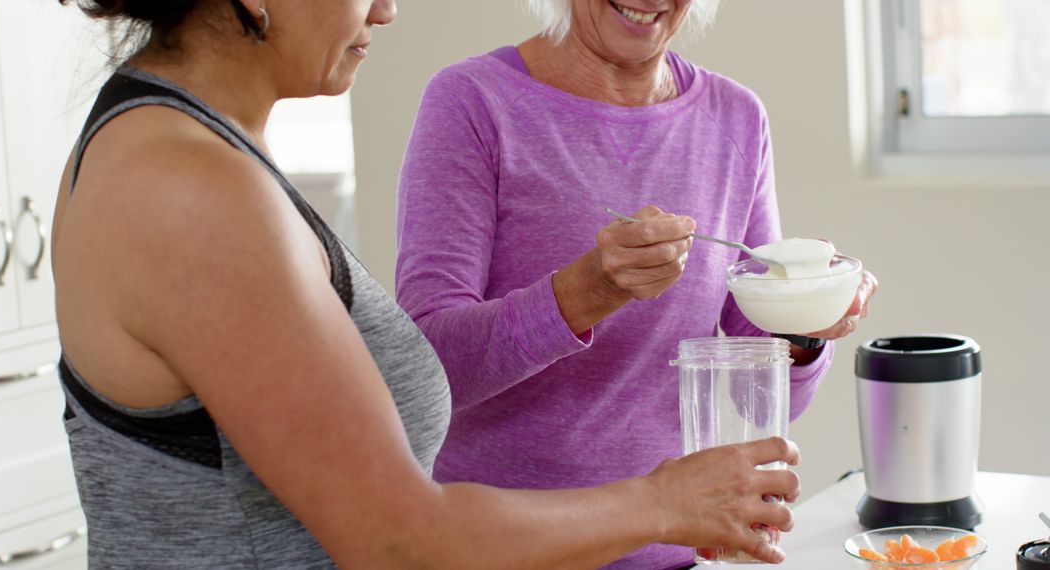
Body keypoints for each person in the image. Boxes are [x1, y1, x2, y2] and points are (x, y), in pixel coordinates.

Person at [51, 0, 801, 568]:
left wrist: (802, 325)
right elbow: (396, 540)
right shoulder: (187, 187)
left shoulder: (192, 152)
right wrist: (659, 501)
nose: (387, 8)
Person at [395, 0, 879, 567]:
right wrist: (586, 292)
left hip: (679, 550)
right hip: (507, 548)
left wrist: (808, 326)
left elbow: (760, 392)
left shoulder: (737, 116)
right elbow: (424, 368)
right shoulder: (472, 101)